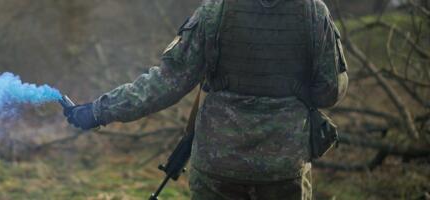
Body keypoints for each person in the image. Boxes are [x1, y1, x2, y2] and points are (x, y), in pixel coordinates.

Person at [64, 0, 349, 199]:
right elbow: (330, 92)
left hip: (218, 169)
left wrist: (98, 111)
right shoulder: (314, 13)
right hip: (284, 170)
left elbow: (163, 84)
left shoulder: (216, 11)